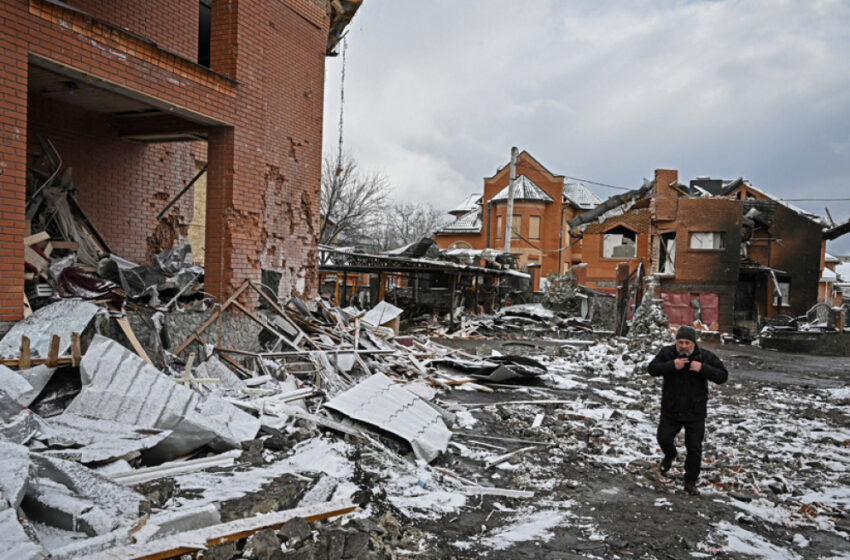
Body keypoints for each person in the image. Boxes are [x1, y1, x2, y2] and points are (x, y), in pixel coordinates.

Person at [647, 325, 728, 495]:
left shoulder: (704, 356)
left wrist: (703, 369)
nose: (683, 346)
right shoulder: (667, 353)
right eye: (680, 342)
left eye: (687, 343)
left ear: (693, 343)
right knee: (663, 438)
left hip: (695, 411)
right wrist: (671, 365)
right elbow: (652, 369)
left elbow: (723, 376)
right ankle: (670, 455)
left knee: (694, 448)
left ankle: (690, 482)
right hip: (671, 409)